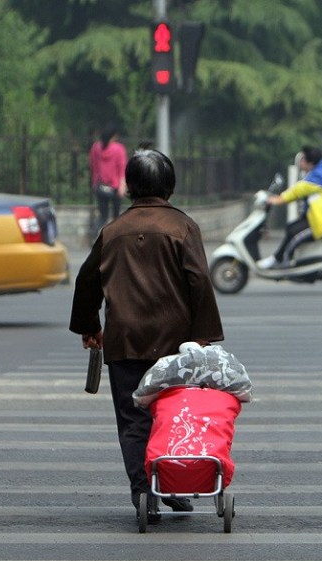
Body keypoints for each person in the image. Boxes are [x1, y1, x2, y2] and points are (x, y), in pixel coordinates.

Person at [69, 149, 224, 524]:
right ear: (169, 185)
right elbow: (200, 281)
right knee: (172, 418)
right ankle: (171, 488)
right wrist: (203, 336)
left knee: (133, 421)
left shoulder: (112, 231)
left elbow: (86, 281)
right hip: (176, 344)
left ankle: (143, 492)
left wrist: (90, 326)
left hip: (125, 344)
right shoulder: (183, 227)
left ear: (130, 187)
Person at [259, 146, 322, 268]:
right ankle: (277, 258)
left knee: (295, 235)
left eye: (303, 159)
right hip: (321, 216)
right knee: (291, 228)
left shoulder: (317, 176)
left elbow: (298, 190)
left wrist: (276, 200)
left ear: (310, 162)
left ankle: (284, 262)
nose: (300, 162)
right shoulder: (320, 171)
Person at [88, 124, 128, 234]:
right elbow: (122, 168)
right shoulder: (119, 149)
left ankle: (95, 236)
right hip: (114, 187)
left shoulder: (96, 148)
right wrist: (122, 185)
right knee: (116, 216)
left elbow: (92, 164)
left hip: (100, 186)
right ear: (114, 135)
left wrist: (95, 181)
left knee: (103, 216)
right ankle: (116, 238)